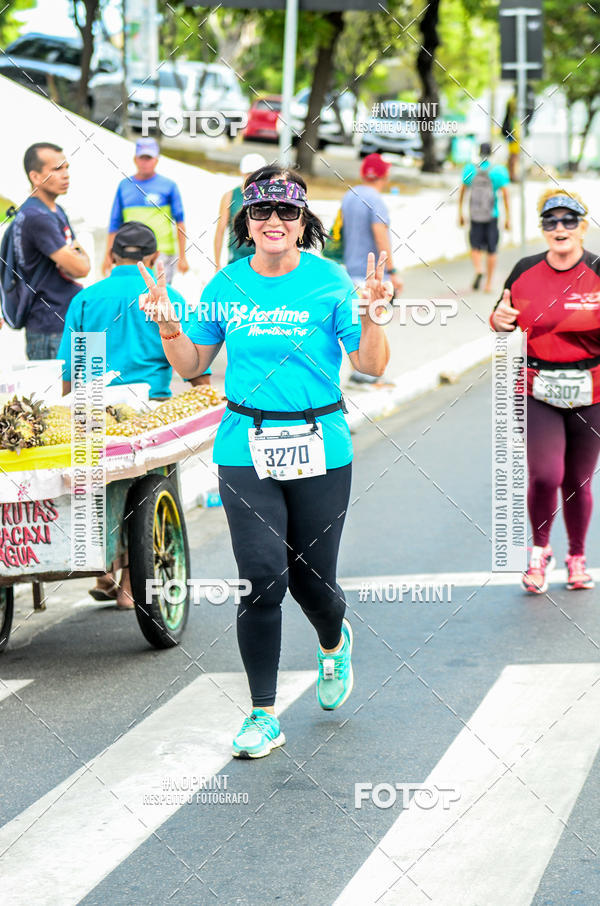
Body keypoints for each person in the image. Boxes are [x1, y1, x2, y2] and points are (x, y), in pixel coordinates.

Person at [138, 166, 391, 758]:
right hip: (243, 446)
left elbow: (371, 367)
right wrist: (168, 323)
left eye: (287, 212)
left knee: (312, 581)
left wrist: (376, 316)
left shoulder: (331, 282)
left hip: (320, 444)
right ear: (245, 222)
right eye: (262, 211)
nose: (274, 221)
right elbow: (191, 362)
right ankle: (262, 712)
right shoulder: (226, 284)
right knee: (261, 579)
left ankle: (333, 640)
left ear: (303, 222)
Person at [58, 221, 210, 608]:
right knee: (154, 488)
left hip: (95, 411)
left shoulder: (88, 299)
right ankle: (131, 585)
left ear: (111, 256)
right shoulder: (168, 295)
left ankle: (106, 572)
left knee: (104, 487)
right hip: (151, 411)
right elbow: (193, 365)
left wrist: (67, 412)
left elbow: (69, 369)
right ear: (155, 257)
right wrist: (205, 395)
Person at [491, 188, 600, 594]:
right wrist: (498, 320)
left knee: (577, 480)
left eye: (569, 220)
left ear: (583, 227)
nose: (560, 228)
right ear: (542, 229)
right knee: (545, 475)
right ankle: (539, 552)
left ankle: (576, 557)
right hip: (538, 388)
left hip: (593, 390)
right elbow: (502, 318)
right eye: (551, 221)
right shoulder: (524, 270)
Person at [14, 142, 90, 359]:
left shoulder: (56, 211)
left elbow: (79, 264)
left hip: (66, 320)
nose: (65, 175)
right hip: (50, 325)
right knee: (58, 393)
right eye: (57, 169)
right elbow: (81, 266)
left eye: (66, 168)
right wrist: (78, 256)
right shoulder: (37, 217)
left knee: (86, 391)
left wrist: (77, 257)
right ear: (35, 177)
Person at [340, 152, 402, 385]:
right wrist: (393, 272)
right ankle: (369, 375)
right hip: (372, 274)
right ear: (384, 175)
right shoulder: (376, 200)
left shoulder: (349, 195)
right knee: (374, 322)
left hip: (350, 269)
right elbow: (380, 234)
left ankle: (360, 372)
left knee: (356, 322)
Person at [103, 138, 189, 283]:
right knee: (133, 294)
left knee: (159, 295)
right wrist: (108, 255)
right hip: (128, 252)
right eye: (142, 158)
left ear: (156, 160)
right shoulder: (124, 186)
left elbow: (180, 223)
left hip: (161, 253)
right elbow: (114, 224)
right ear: (135, 159)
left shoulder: (169, 186)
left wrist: (183, 256)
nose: (145, 162)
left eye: (149, 158)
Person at [458, 142, 510, 292]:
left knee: (475, 246)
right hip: (492, 215)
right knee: (492, 249)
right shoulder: (498, 171)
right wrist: (508, 218)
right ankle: (488, 284)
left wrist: (460, 212)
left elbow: (462, 191)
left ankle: (479, 269)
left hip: (475, 215)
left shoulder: (470, 169)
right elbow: (505, 194)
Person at [213, 152, 267, 270]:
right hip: (236, 259)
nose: (253, 178)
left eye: (257, 174)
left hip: (263, 260)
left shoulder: (268, 197)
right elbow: (220, 231)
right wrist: (217, 264)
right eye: (249, 174)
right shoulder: (230, 196)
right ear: (242, 172)